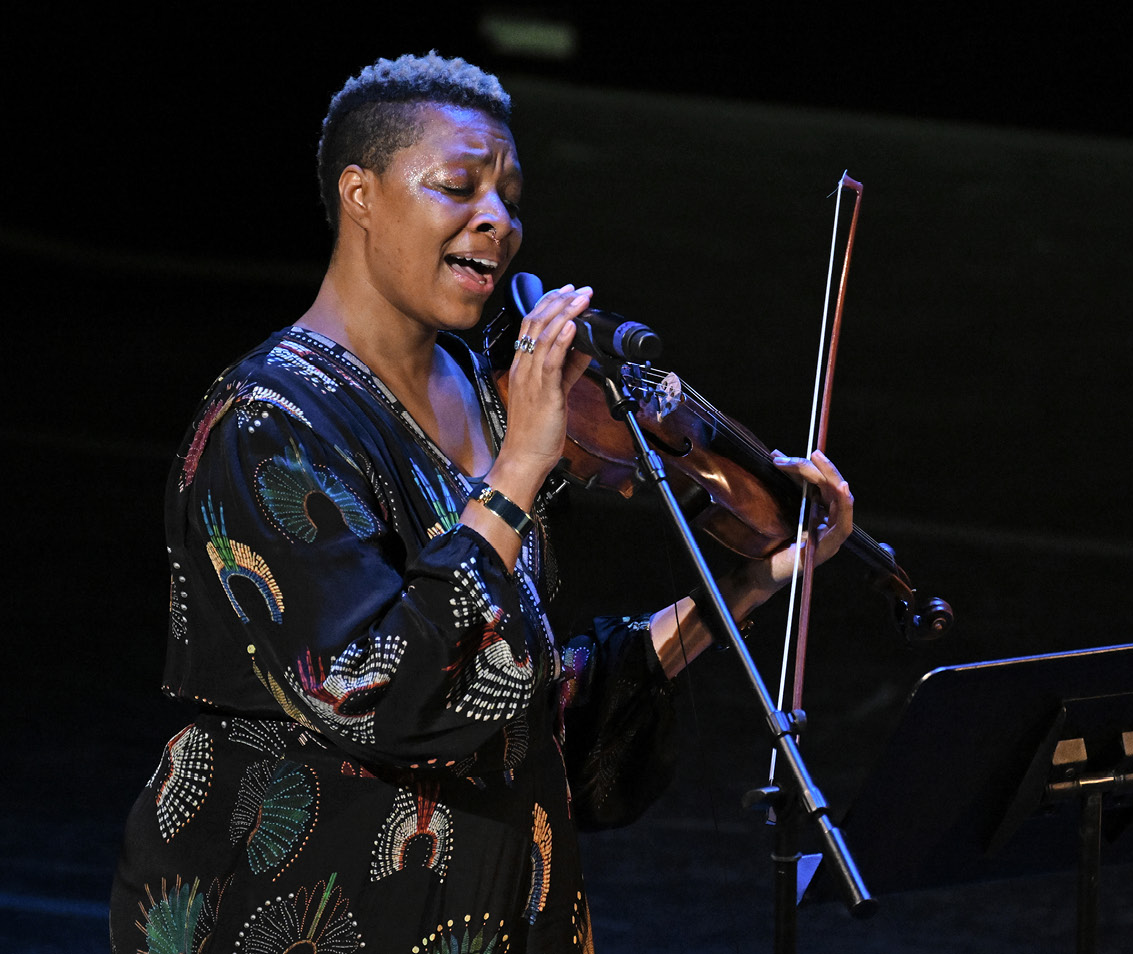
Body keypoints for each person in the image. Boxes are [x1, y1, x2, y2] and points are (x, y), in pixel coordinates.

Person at [108, 52, 854, 953]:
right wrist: (515, 474)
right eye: (458, 186)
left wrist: (746, 585)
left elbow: (517, 702)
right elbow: (368, 690)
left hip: (491, 903)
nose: (495, 219)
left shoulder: (485, 390)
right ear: (362, 194)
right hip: (313, 904)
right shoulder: (268, 423)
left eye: (508, 194)